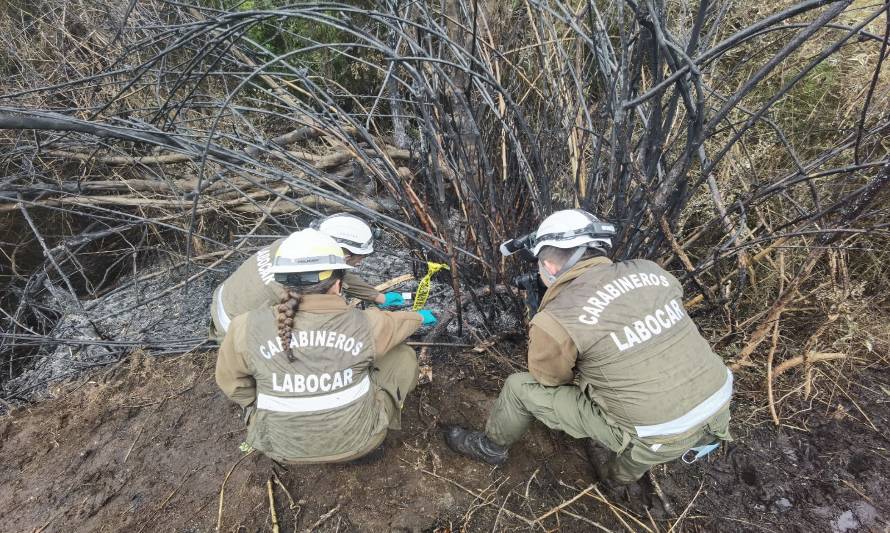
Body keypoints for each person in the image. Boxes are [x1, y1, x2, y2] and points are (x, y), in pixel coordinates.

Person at [445, 209, 732, 493]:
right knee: (642, 428)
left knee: (518, 388)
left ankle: (490, 448)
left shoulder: (556, 318)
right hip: (719, 403)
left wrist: (548, 327)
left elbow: (550, 380)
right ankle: (618, 478)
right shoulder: (651, 270)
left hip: (657, 432)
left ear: (551, 266)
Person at [215, 228, 437, 463]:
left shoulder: (244, 326)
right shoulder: (366, 324)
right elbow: (401, 323)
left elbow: (232, 384)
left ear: (282, 281)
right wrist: (422, 316)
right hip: (360, 442)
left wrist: (265, 400)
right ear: (337, 285)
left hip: (280, 449)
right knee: (402, 356)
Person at [210, 213, 407, 340]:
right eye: (360, 258)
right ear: (345, 256)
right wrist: (404, 320)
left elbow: (338, 273)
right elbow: (342, 324)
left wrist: (377, 297)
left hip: (227, 301)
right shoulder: (302, 287)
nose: (361, 263)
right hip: (235, 332)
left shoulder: (294, 247)